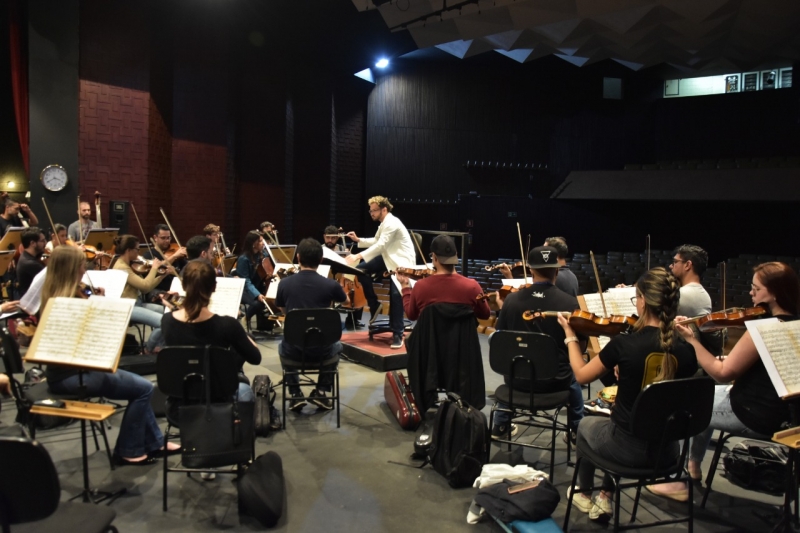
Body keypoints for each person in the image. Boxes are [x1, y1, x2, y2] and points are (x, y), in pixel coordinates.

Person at [649, 261, 800, 501]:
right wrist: (733, 360)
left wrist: (692, 340)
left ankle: (679, 480)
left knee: (686, 405)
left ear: (774, 293)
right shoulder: (794, 325)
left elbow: (721, 373)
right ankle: (693, 466)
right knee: (703, 396)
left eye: (756, 289)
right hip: (787, 416)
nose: (751, 293)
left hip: (754, 413)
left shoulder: (764, 328)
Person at [558, 267, 697, 521]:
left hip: (626, 451)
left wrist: (570, 336)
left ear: (643, 301)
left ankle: (584, 493)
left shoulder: (625, 345)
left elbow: (581, 375)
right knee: (622, 424)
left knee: (586, 425)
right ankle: (605, 496)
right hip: (668, 454)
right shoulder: (687, 351)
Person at [41, 245, 179, 465]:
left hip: (76, 369)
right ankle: (128, 451)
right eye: (81, 266)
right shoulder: (67, 304)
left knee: (141, 387)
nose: (84, 270)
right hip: (72, 374)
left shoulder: (57, 296)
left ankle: (155, 442)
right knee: (143, 389)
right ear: (71, 269)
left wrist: (97, 302)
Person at [492, 246, 586, 441]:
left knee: (514, 366)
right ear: (557, 270)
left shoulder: (511, 301)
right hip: (555, 382)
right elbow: (581, 347)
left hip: (516, 380)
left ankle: (500, 425)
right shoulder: (570, 304)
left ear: (531, 270)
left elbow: (500, 337)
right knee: (573, 378)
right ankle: (577, 430)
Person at [161, 260, 261, 402]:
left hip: (180, 399)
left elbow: (188, 322)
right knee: (245, 390)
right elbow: (255, 358)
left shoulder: (167, 321)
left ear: (183, 286)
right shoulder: (227, 325)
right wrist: (240, 332)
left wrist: (174, 307)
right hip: (218, 398)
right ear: (214, 287)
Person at [275, 238, 347, 411]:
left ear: (298, 257)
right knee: (337, 345)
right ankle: (321, 392)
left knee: (282, 345)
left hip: (294, 351)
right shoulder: (331, 285)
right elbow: (346, 301)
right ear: (321, 260)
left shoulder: (284, 284)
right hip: (323, 352)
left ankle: (295, 394)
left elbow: (284, 311)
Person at [346, 196, 415, 349]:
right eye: (370, 210)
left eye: (374, 210)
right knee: (360, 270)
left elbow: (381, 245)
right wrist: (359, 240)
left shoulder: (392, 222)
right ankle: (374, 304)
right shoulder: (384, 223)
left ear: (384, 209)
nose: (372, 213)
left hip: (401, 261)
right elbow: (377, 241)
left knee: (396, 294)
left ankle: (398, 333)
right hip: (387, 258)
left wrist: (358, 255)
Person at [397, 235, 489, 320]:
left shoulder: (420, 286)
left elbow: (411, 315)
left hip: (430, 333)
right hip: (462, 334)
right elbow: (485, 314)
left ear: (434, 257)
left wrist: (405, 287)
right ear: (456, 255)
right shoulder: (473, 286)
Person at [112, 234, 175, 353]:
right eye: (137, 249)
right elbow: (145, 286)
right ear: (128, 250)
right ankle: (148, 350)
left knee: (170, 314)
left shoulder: (129, 265)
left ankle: (159, 347)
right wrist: (154, 268)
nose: (139, 252)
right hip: (128, 306)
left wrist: (163, 275)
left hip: (138, 303)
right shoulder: (122, 267)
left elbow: (146, 288)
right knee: (163, 322)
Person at [236, 231, 273, 328]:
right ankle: (245, 318)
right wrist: (257, 294)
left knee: (272, 298)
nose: (263, 243)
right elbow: (246, 281)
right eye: (260, 241)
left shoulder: (263, 254)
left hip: (258, 286)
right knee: (259, 303)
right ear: (253, 243)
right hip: (245, 289)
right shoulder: (243, 259)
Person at [143, 224, 188, 293]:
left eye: (168, 238)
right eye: (163, 238)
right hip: (159, 291)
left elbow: (187, 269)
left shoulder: (176, 252)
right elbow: (157, 266)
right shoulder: (149, 255)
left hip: (177, 289)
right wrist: (174, 256)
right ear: (155, 237)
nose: (167, 241)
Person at [16, 227, 46, 298]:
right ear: (32, 243)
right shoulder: (30, 263)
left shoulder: (26, 255)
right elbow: (53, 280)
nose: (45, 243)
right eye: (42, 241)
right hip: (33, 302)